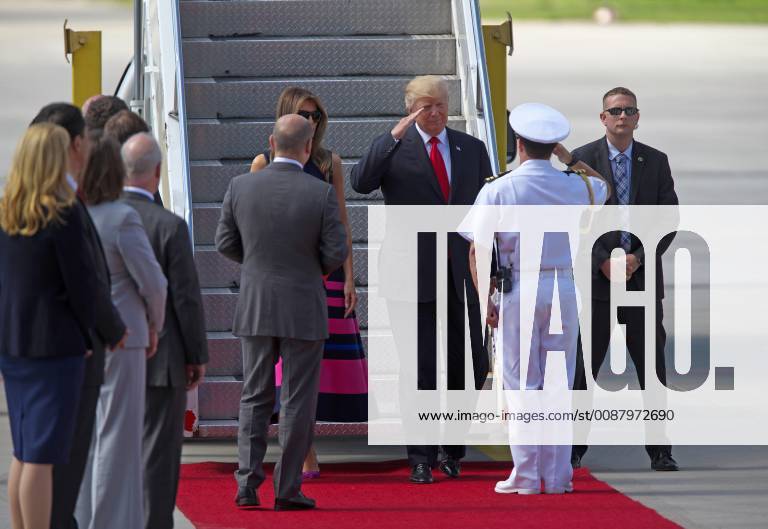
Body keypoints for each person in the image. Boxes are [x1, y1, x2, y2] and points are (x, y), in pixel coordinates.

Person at [351, 75, 492, 484]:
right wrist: (393, 134)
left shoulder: (471, 148)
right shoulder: (396, 148)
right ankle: (420, 455)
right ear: (410, 107)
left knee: (467, 366)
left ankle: (453, 450)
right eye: (425, 106)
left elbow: (488, 211)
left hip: (462, 274)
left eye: (441, 105)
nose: (434, 112)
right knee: (420, 369)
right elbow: (360, 182)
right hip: (409, 273)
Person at [467, 103, 609, 495]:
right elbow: (604, 187)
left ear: (519, 144)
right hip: (562, 286)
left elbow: (476, 249)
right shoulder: (574, 184)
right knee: (558, 384)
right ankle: (559, 474)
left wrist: (486, 302)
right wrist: (570, 158)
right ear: (555, 146)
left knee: (521, 383)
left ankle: (527, 474)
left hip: (520, 288)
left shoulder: (499, 188)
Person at [216, 115, 347, 510]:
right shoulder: (319, 193)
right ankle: (287, 488)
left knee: (254, 396)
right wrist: (313, 270)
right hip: (304, 305)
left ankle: (246, 483)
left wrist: (254, 264)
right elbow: (336, 251)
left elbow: (224, 242)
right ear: (308, 147)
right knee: (297, 400)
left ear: (271, 142)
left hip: (255, 303)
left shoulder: (240, 186)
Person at [250, 86, 367, 477]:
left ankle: (304, 446)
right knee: (287, 370)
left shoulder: (329, 161)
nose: (312, 122)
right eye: (305, 114)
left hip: (326, 277)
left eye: (317, 115)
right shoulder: (262, 163)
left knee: (316, 370)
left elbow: (342, 224)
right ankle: (302, 452)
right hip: (283, 280)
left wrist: (350, 277)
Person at [570, 87, 679, 472]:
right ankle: (573, 448)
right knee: (585, 368)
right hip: (597, 284)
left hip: (642, 280)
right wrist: (603, 261)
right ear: (603, 117)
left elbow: (669, 219)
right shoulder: (581, 160)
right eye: (614, 110)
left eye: (628, 110)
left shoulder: (656, 161)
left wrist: (638, 257)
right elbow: (573, 221)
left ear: (637, 116)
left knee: (652, 368)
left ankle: (659, 449)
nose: (621, 116)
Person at [29, 103, 128, 529]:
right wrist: (110, 331)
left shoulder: (19, 204)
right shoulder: (65, 208)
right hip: (70, 350)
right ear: (72, 145)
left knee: (31, 456)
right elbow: (85, 282)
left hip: (29, 349)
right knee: (62, 459)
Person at [0, 123, 97, 529]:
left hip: (15, 344)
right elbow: (82, 285)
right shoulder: (64, 214)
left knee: (23, 452)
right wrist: (96, 334)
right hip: (56, 348)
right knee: (43, 454)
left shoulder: (8, 212)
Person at [75, 136, 168, 529]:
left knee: (90, 433)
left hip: (84, 336)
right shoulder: (121, 217)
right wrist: (155, 325)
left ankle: (84, 515)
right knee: (119, 435)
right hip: (126, 335)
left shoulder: (76, 215)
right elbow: (154, 284)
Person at [119, 132, 209, 529]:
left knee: (111, 448)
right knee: (159, 453)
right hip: (163, 359)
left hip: (109, 354)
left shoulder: (97, 217)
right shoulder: (170, 226)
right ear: (157, 172)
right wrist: (196, 355)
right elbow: (185, 298)